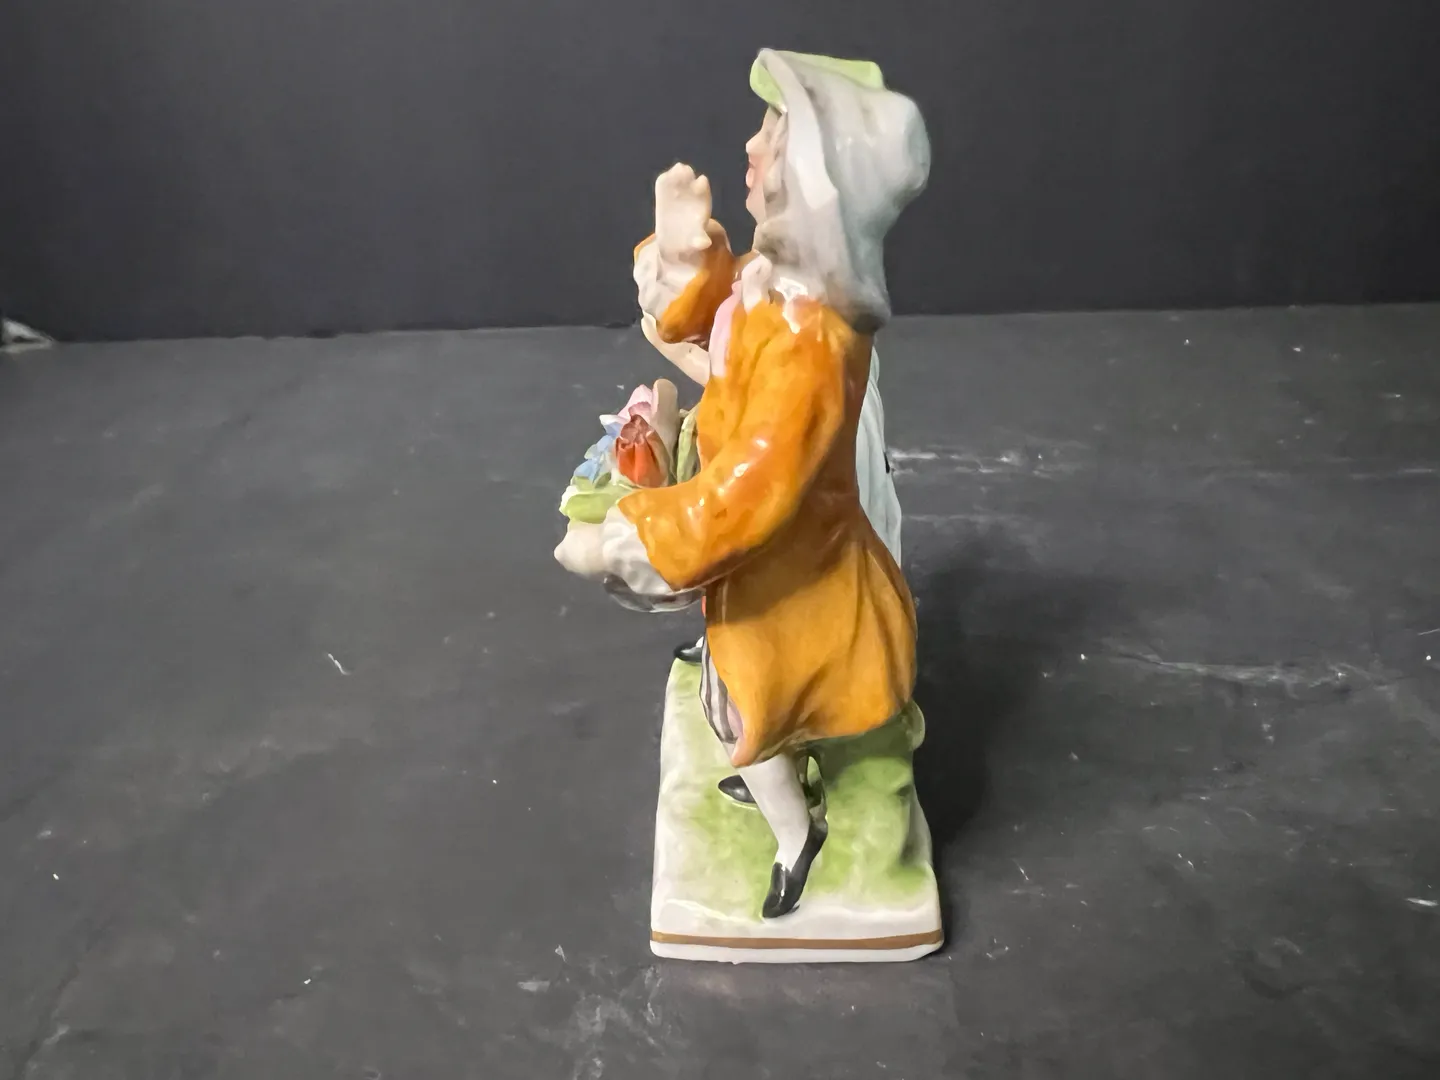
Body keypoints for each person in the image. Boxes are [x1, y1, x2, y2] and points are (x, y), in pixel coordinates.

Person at [598, 50, 930, 918]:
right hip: (757, 563)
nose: (750, 149)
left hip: (792, 573)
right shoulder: (769, 284)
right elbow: (712, 326)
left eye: (774, 139)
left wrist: (644, 535)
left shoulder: (812, 335)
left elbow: (759, 483)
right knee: (747, 699)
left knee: (755, 702)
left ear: (817, 185)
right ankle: (788, 798)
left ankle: (802, 841)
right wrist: (688, 254)